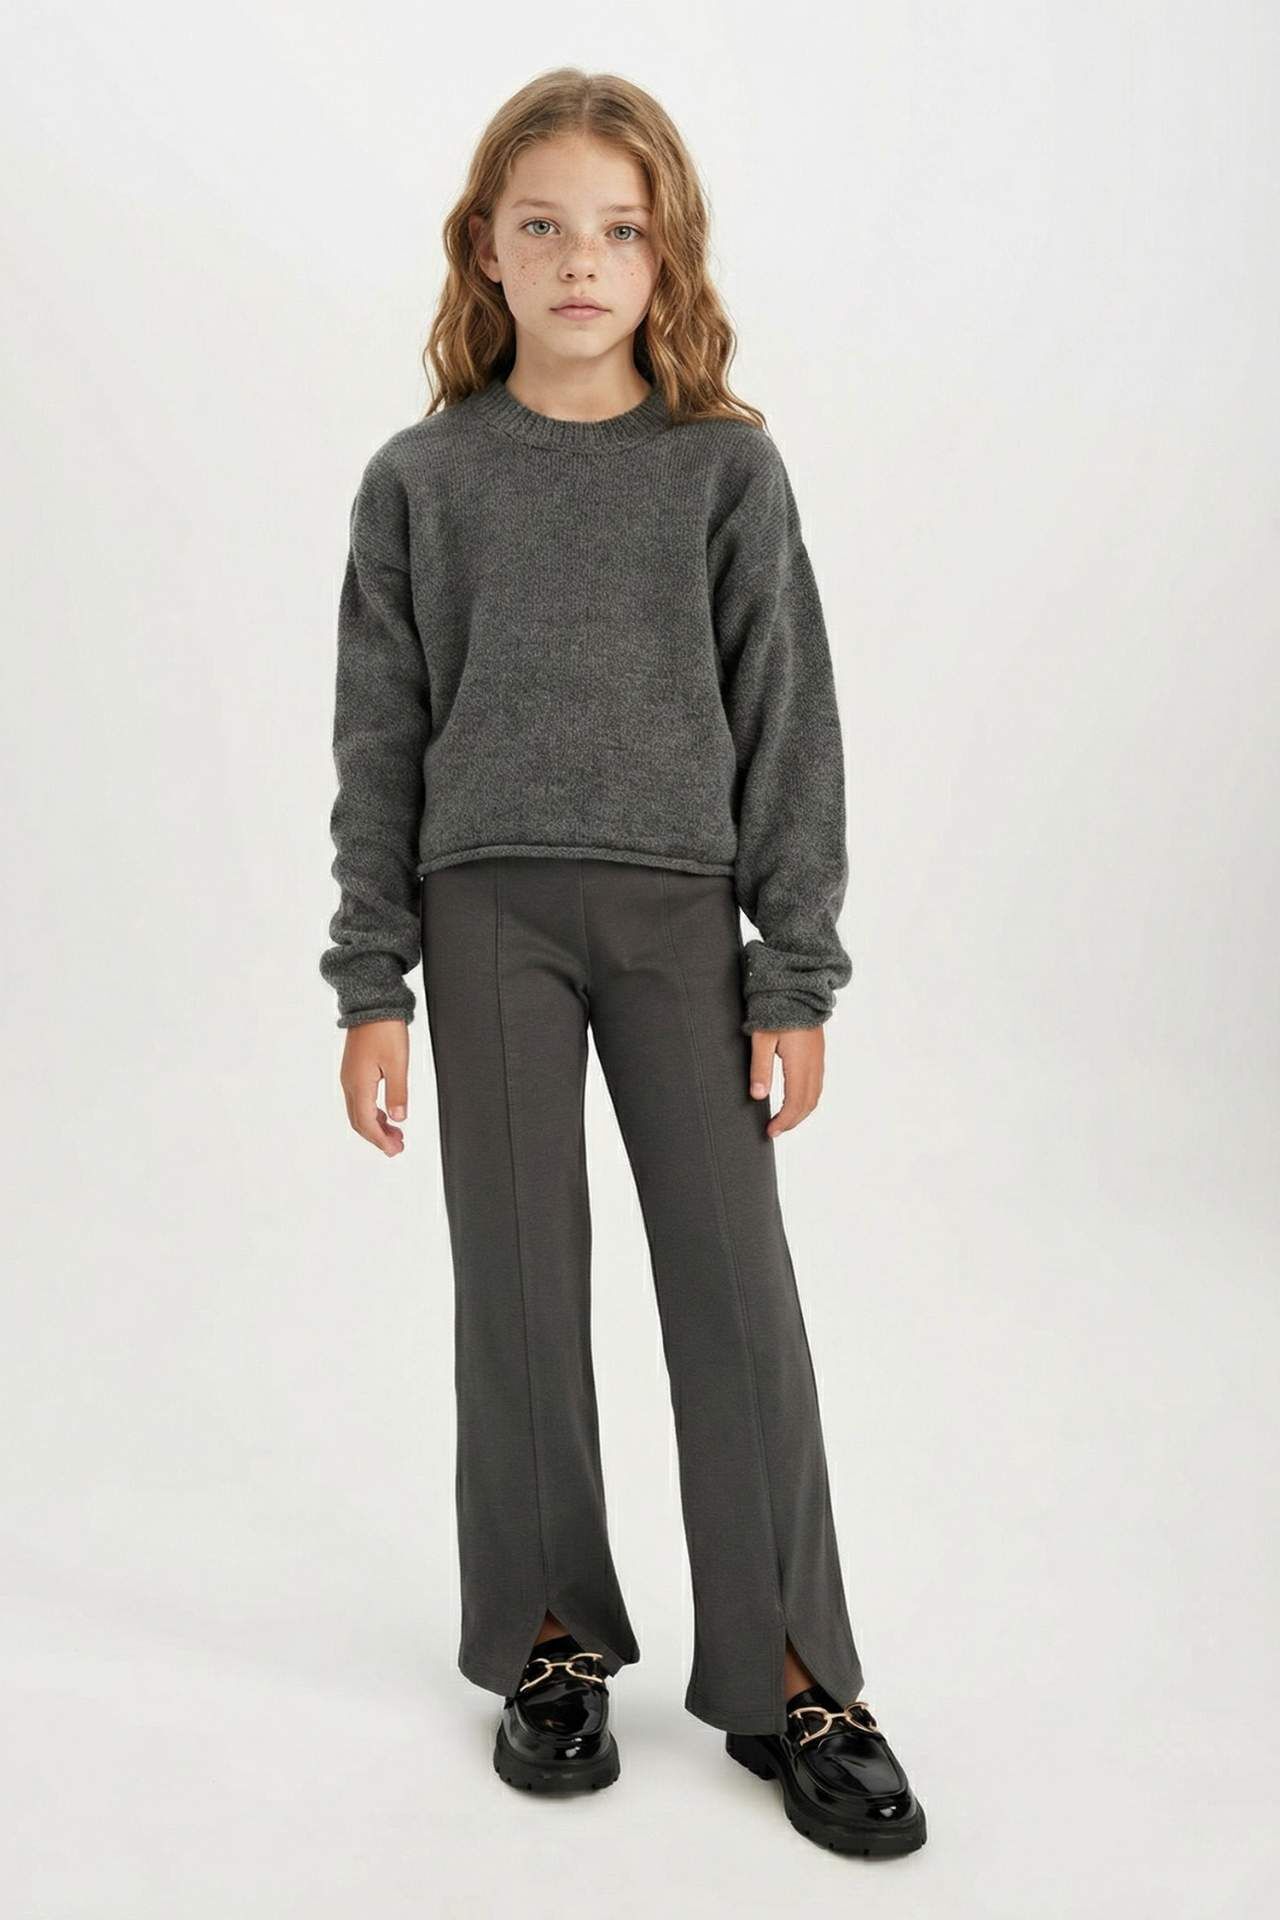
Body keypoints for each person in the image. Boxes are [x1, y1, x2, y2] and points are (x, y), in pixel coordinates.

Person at [318, 67, 926, 1858]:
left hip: (683, 922)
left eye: (621, 230)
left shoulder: (726, 470)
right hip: (482, 917)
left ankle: (793, 1671)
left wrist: (795, 970)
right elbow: (378, 738)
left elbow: (791, 728)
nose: (583, 260)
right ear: (486, 251)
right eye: (546, 226)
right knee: (516, 1288)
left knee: (734, 1293)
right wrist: (370, 983)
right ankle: (548, 1639)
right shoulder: (421, 480)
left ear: (667, 260)